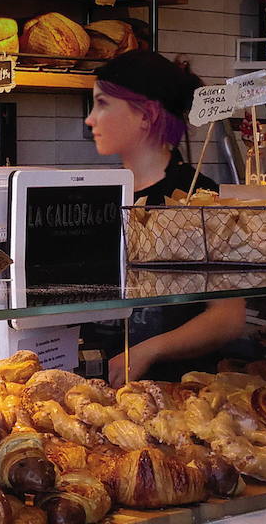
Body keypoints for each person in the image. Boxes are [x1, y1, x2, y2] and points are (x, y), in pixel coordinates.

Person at [84, 50, 247, 384]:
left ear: (147, 115)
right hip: (97, 386)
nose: (90, 119)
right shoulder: (100, 195)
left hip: (177, 391)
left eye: (102, 104)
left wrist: (148, 350)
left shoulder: (199, 199)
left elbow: (229, 317)